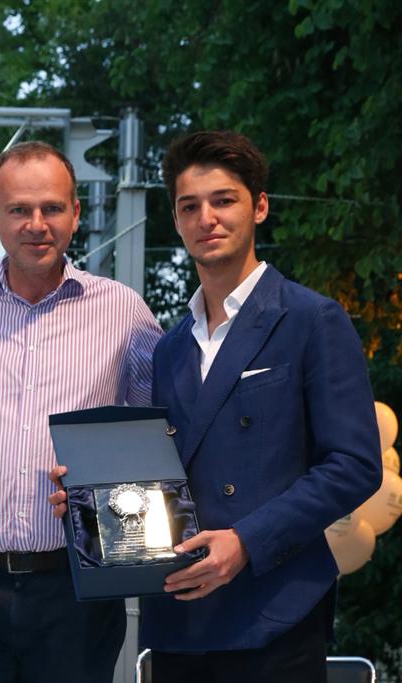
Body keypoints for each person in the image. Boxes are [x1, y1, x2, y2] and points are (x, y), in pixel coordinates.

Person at [0, 140, 163, 683]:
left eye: (51, 208)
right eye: (19, 209)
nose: (36, 224)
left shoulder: (123, 312)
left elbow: (163, 437)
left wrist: (119, 489)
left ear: (76, 214)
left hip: (76, 591)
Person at [138, 130, 382, 681]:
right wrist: (91, 500)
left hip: (274, 613)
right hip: (182, 614)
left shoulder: (311, 319)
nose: (207, 218)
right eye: (189, 206)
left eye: (224, 200)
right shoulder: (168, 348)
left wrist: (247, 541)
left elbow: (354, 464)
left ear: (260, 207)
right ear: (176, 221)